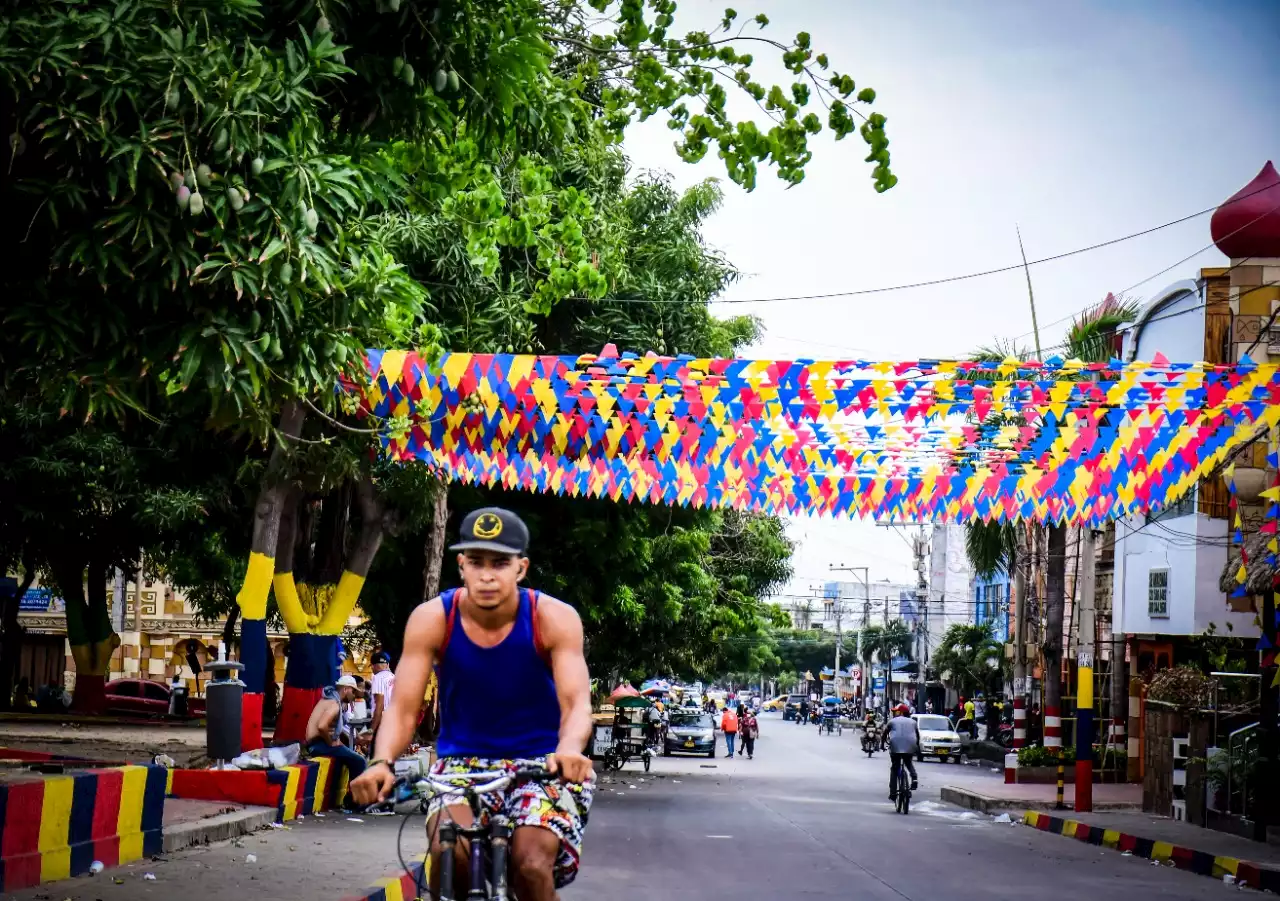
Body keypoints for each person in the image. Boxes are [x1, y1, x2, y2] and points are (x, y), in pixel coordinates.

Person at [349, 507, 594, 901]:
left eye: (500, 563)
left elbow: (576, 702)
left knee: (530, 864)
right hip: (459, 768)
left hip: (542, 764)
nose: (487, 574)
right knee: (451, 854)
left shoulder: (553, 618)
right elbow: (404, 708)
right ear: (461, 565)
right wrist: (381, 762)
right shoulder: (432, 619)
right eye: (476, 562)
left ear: (521, 568)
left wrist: (568, 750)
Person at [305, 675, 366, 805]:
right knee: (360, 761)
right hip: (319, 744)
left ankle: (349, 796)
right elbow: (322, 726)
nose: (354, 695)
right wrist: (331, 743)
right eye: (353, 691)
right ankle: (354, 800)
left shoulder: (330, 700)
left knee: (349, 756)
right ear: (345, 689)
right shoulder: (334, 704)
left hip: (317, 743)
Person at [887, 703, 919, 801]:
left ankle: (893, 793)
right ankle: (914, 778)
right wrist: (916, 746)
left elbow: (885, 734)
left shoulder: (892, 721)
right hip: (911, 745)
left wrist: (882, 744)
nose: (895, 713)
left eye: (896, 711)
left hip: (895, 746)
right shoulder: (913, 722)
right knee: (908, 763)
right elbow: (918, 735)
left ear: (900, 712)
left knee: (895, 768)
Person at [368, 650, 395, 743]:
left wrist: (371, 730)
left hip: (383, 724)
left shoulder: (377, 678)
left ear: (373, 665)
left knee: (377, 755)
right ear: (387, 664)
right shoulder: (394, 677)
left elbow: (380, 706)